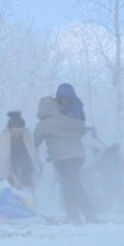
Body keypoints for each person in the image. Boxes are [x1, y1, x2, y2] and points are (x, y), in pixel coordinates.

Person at [34, 95, 97, 223]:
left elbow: (34, 142)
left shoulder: (43, 125)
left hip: (63, 158)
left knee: (72, 185)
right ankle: (74, 214)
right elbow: (81, 127)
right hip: (78, 156)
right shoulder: (66, 118)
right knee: (70, 184)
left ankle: (88, 213)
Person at [0, 111, 39, 192]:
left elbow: (32, 157)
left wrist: (35, 168)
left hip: (25, 171)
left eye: (19, 132)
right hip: (9, 172)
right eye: (14, 132)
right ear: (10, 130)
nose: (17, 134)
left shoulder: (27, 139)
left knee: (27, 187)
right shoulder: (2, 140)